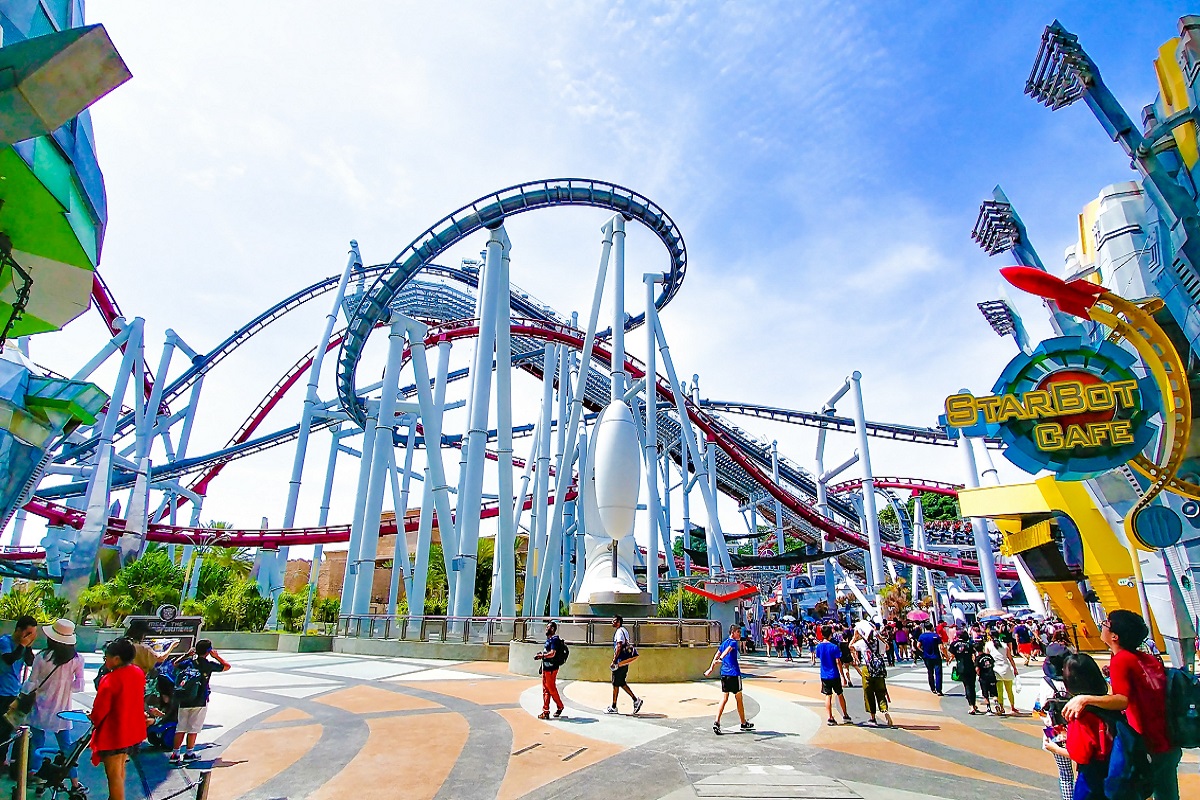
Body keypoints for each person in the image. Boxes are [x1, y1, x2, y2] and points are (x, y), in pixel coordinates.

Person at [1064, 610, 1181, 800]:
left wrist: (1085, 698)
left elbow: (1122, 700)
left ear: (1114, 636)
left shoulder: (1121, 660)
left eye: (1106, 623)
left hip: (1147, 742)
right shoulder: (1147, 658)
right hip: (1168, 738)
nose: (1102, 625)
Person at [25, 620, 84, 792]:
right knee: (67, 748)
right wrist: (64, 687)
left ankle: (36, 776)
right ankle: (74, 782)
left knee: (37, 744)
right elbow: (79, 686)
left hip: (39, 708)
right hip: (62, 711)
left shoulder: (41, 657)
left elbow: (31, 683)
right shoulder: (77, 660)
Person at [1043, 654, 1111, 800]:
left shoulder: (1078, 714)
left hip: (1093, 778)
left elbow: (1082, 756)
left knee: (1065, 775)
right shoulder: (1109, 703)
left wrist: (1055, 749)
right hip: (1114, 770)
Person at [90, 638, 147, 800]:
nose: (105, 660)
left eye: (106, 657)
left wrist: (93, 718)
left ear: (116, 659)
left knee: (113, 774)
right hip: (132, 730)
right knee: (121, 769)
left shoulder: (110, 679)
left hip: (114, 733)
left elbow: (100, 709)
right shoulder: (137, 672)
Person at [169, 639, 230, 763]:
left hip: (184, 699)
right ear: (208, 651)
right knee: (193, 728)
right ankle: (189, 753)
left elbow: (174, 664)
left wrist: (186, 655)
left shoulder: (189, 663)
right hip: (199, 700)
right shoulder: (207, 664)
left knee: (180, 727)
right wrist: (216, 656)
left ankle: (175, 754)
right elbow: (226, 666)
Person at [0, 615, 37, 769]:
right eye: (27, 633)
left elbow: (30, 661)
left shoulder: (23, 646)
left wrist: (27, 646)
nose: (29, 637)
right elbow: (9, 659)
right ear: (19, 630)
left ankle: (2, 760)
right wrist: (22, 645)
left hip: (14, 692)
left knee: (8, 728)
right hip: (1, 691)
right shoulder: (4, 642)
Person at [705, 624, 754, 734]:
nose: (739, 635)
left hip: (724, 674)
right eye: (738, 632)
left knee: (724, 698)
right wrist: (721, 659)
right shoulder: (732, 642)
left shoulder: (723, 643)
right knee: (739, 699)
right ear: (733, 633)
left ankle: (717, 722)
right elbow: (727, 651)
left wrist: (710, 669)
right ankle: (743, 723)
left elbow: (716, 656)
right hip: (734, 674)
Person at [852, 627, 893, 727]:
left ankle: (873, 717)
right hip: (879, 670)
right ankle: (885, 710)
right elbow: (887, 647)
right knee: (880, 692)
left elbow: (850, 647)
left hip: (868, 669)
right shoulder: (879, 643)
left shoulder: (862, 643)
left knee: (869, 693)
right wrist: (880, 638)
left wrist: (855, 636)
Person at [815, 625, 852, 726]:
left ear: (822, 634)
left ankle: (830, 717)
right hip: (834, 674)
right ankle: (845, 715)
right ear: (830, 634)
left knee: (828, 695)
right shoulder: (834, 647)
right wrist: (843, 676)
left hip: (824, 674)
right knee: (840, 694)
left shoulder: (819, 647)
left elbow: (818, 656)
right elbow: (838, 661)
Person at [607, 616, 643, 715]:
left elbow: (619, 646)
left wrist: (614, 661)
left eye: (613, 620)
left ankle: (614, 707)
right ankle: (636, 700)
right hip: (624, 662)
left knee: (615, 683)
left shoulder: (619, 632)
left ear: (618, 622)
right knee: (621, 683)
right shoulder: (624, 631)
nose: (612, 622)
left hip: (620, 662)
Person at [533, 621, 565, 720]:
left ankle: (560, 706)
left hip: (551, 669)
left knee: (551, 689)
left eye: (548, 627)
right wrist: (542, 655)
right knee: (546, 689)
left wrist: (542, 656)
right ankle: (545, 711)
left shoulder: (554, 640)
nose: (546, 629)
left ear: (553, 629)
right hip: (546, 668)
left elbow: (552, 653)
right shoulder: (549, 640)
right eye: (546, 627)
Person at [985, 630, 1020, 715]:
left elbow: (987, 657)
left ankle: (1001, 708)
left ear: (990, 636)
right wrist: (1015, 668)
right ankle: (1012, 707)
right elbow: (1010, 658)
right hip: (1006, 669)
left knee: (999, 690)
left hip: (996, 670)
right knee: (1009, 690)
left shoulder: (988, 645)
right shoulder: (1004, 645)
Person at [948, 630, 979, 715]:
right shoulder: (969, 644)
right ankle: (973, 704)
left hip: (961, 667)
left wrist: (950, 660)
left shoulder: (954, 644)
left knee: (967, 686)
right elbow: (974, 656)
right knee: (972, 686)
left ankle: (972, 705)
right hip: (970, 666)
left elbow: (952, 654)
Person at [916, 623, 946, 695]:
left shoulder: (922, 636)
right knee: (938, 673)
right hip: (936, 656)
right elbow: (942, 647)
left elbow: (918, 645)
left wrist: (923, 651)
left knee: (930, 672)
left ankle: (932, 688)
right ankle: (939, 690)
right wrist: (946, 655)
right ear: (932, 627)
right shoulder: (936, 636)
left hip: (927, 657)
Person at [975, 640, 998, 715]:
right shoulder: (989, 656)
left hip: (984, 677)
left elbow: (977, 669)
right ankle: (996, 703)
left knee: (985, 694)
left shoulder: (978, 658)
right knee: (994, 692)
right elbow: (993, 664)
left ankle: (989, 709)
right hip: (991, 675)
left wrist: (978, 674)